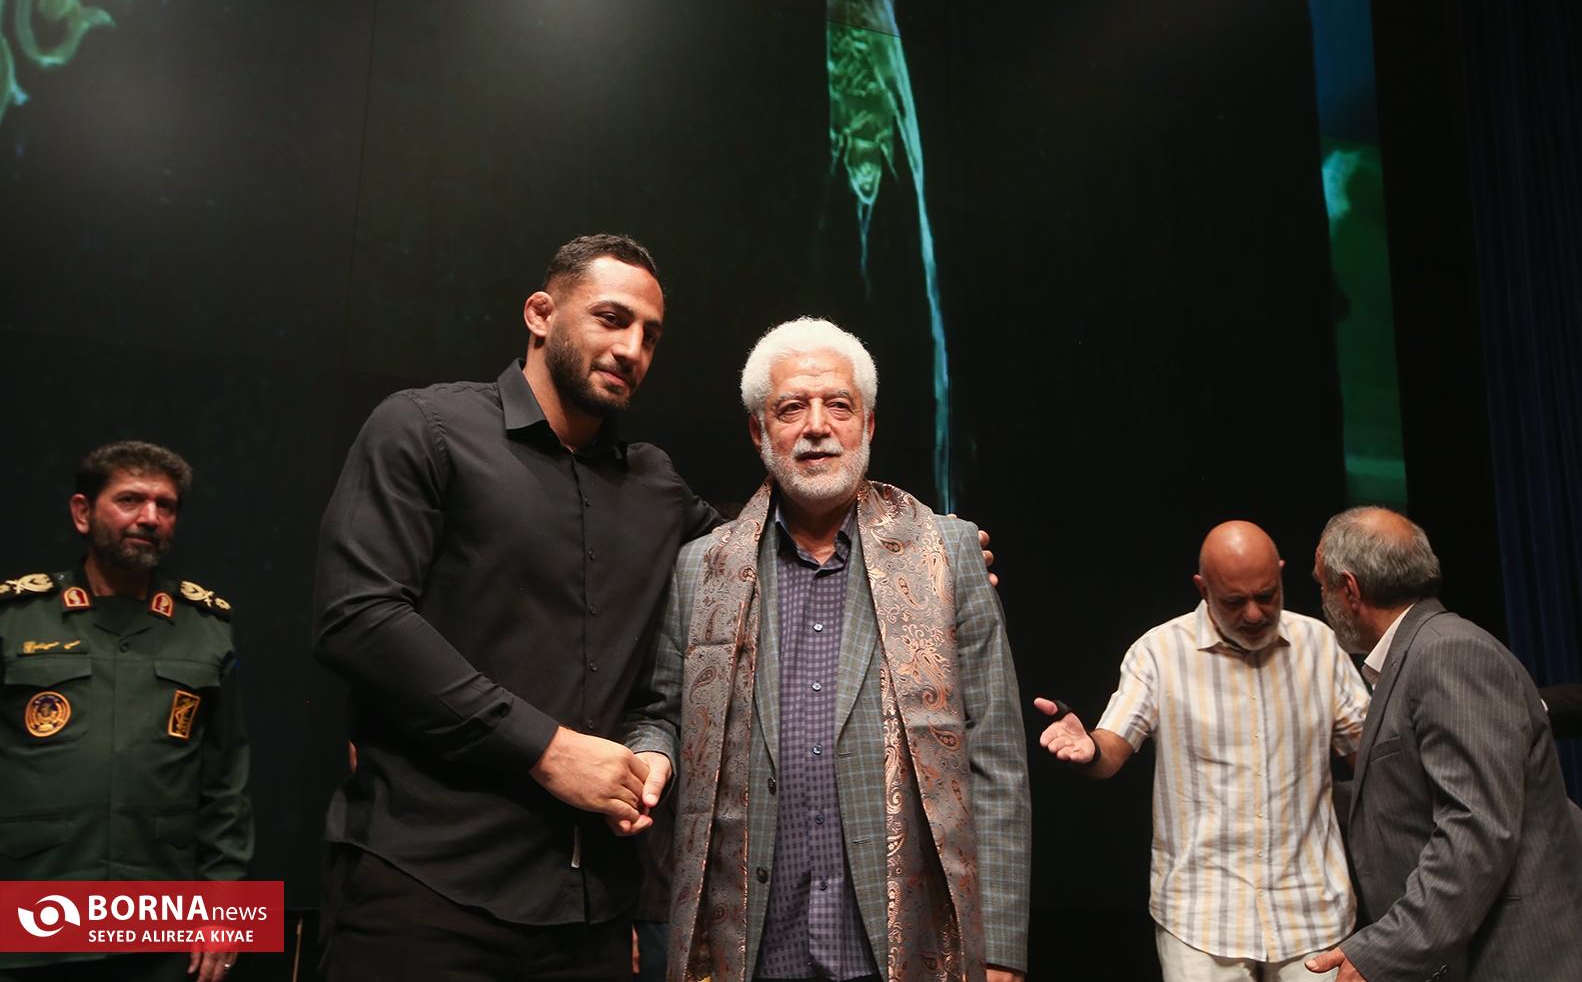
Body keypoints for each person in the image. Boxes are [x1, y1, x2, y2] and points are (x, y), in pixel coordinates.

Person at [311, 234, 722, 981]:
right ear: (540, 313)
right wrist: (546, 748)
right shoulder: (425, 428)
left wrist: (909, 544)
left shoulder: (658, 487)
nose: (631, 348)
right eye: (611, 318)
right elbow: (359, 618)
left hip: (592, 918)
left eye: (650, 335)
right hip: (425, 891)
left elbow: (761, 562)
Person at [625, 317, 1030, 982]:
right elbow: (662, 714)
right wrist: (650, 753)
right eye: (792, 408)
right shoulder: (701, 568)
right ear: (759, 431)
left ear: (868, 423)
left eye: (838, 405)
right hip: (751, 939)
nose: (817, 426)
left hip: (907, 936)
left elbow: (996, 755)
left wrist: (1002, 948)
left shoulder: (949, 553)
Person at [1035, 520, 1368, 982]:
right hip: (1202, 914)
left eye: (1267, 595)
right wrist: (1088, 749)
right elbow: (1113, 747)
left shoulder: (1319, 645)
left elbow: (1370, 759)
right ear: (1202, 588)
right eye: (1233, 601)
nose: (1254, 613)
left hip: (1312, 907)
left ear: (1281, 573)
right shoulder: (1159, 652)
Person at [1305, 507, 1582, 982]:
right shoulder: (1415, 655)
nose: (1322, 600)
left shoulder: (1448, 653)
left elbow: (1476, 828)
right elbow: (1410, 798)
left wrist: (1386, 948)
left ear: (1351, 590)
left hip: (1518, 959)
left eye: (1322, 586)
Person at [0, 440, 250, 982]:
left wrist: (224, 906)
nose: (150, 517)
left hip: (159, 917)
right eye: (131, 499)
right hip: (29, 907)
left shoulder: (206, 629)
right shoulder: (14, 621)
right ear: (83, 513)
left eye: (166, 505)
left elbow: (226, 783)